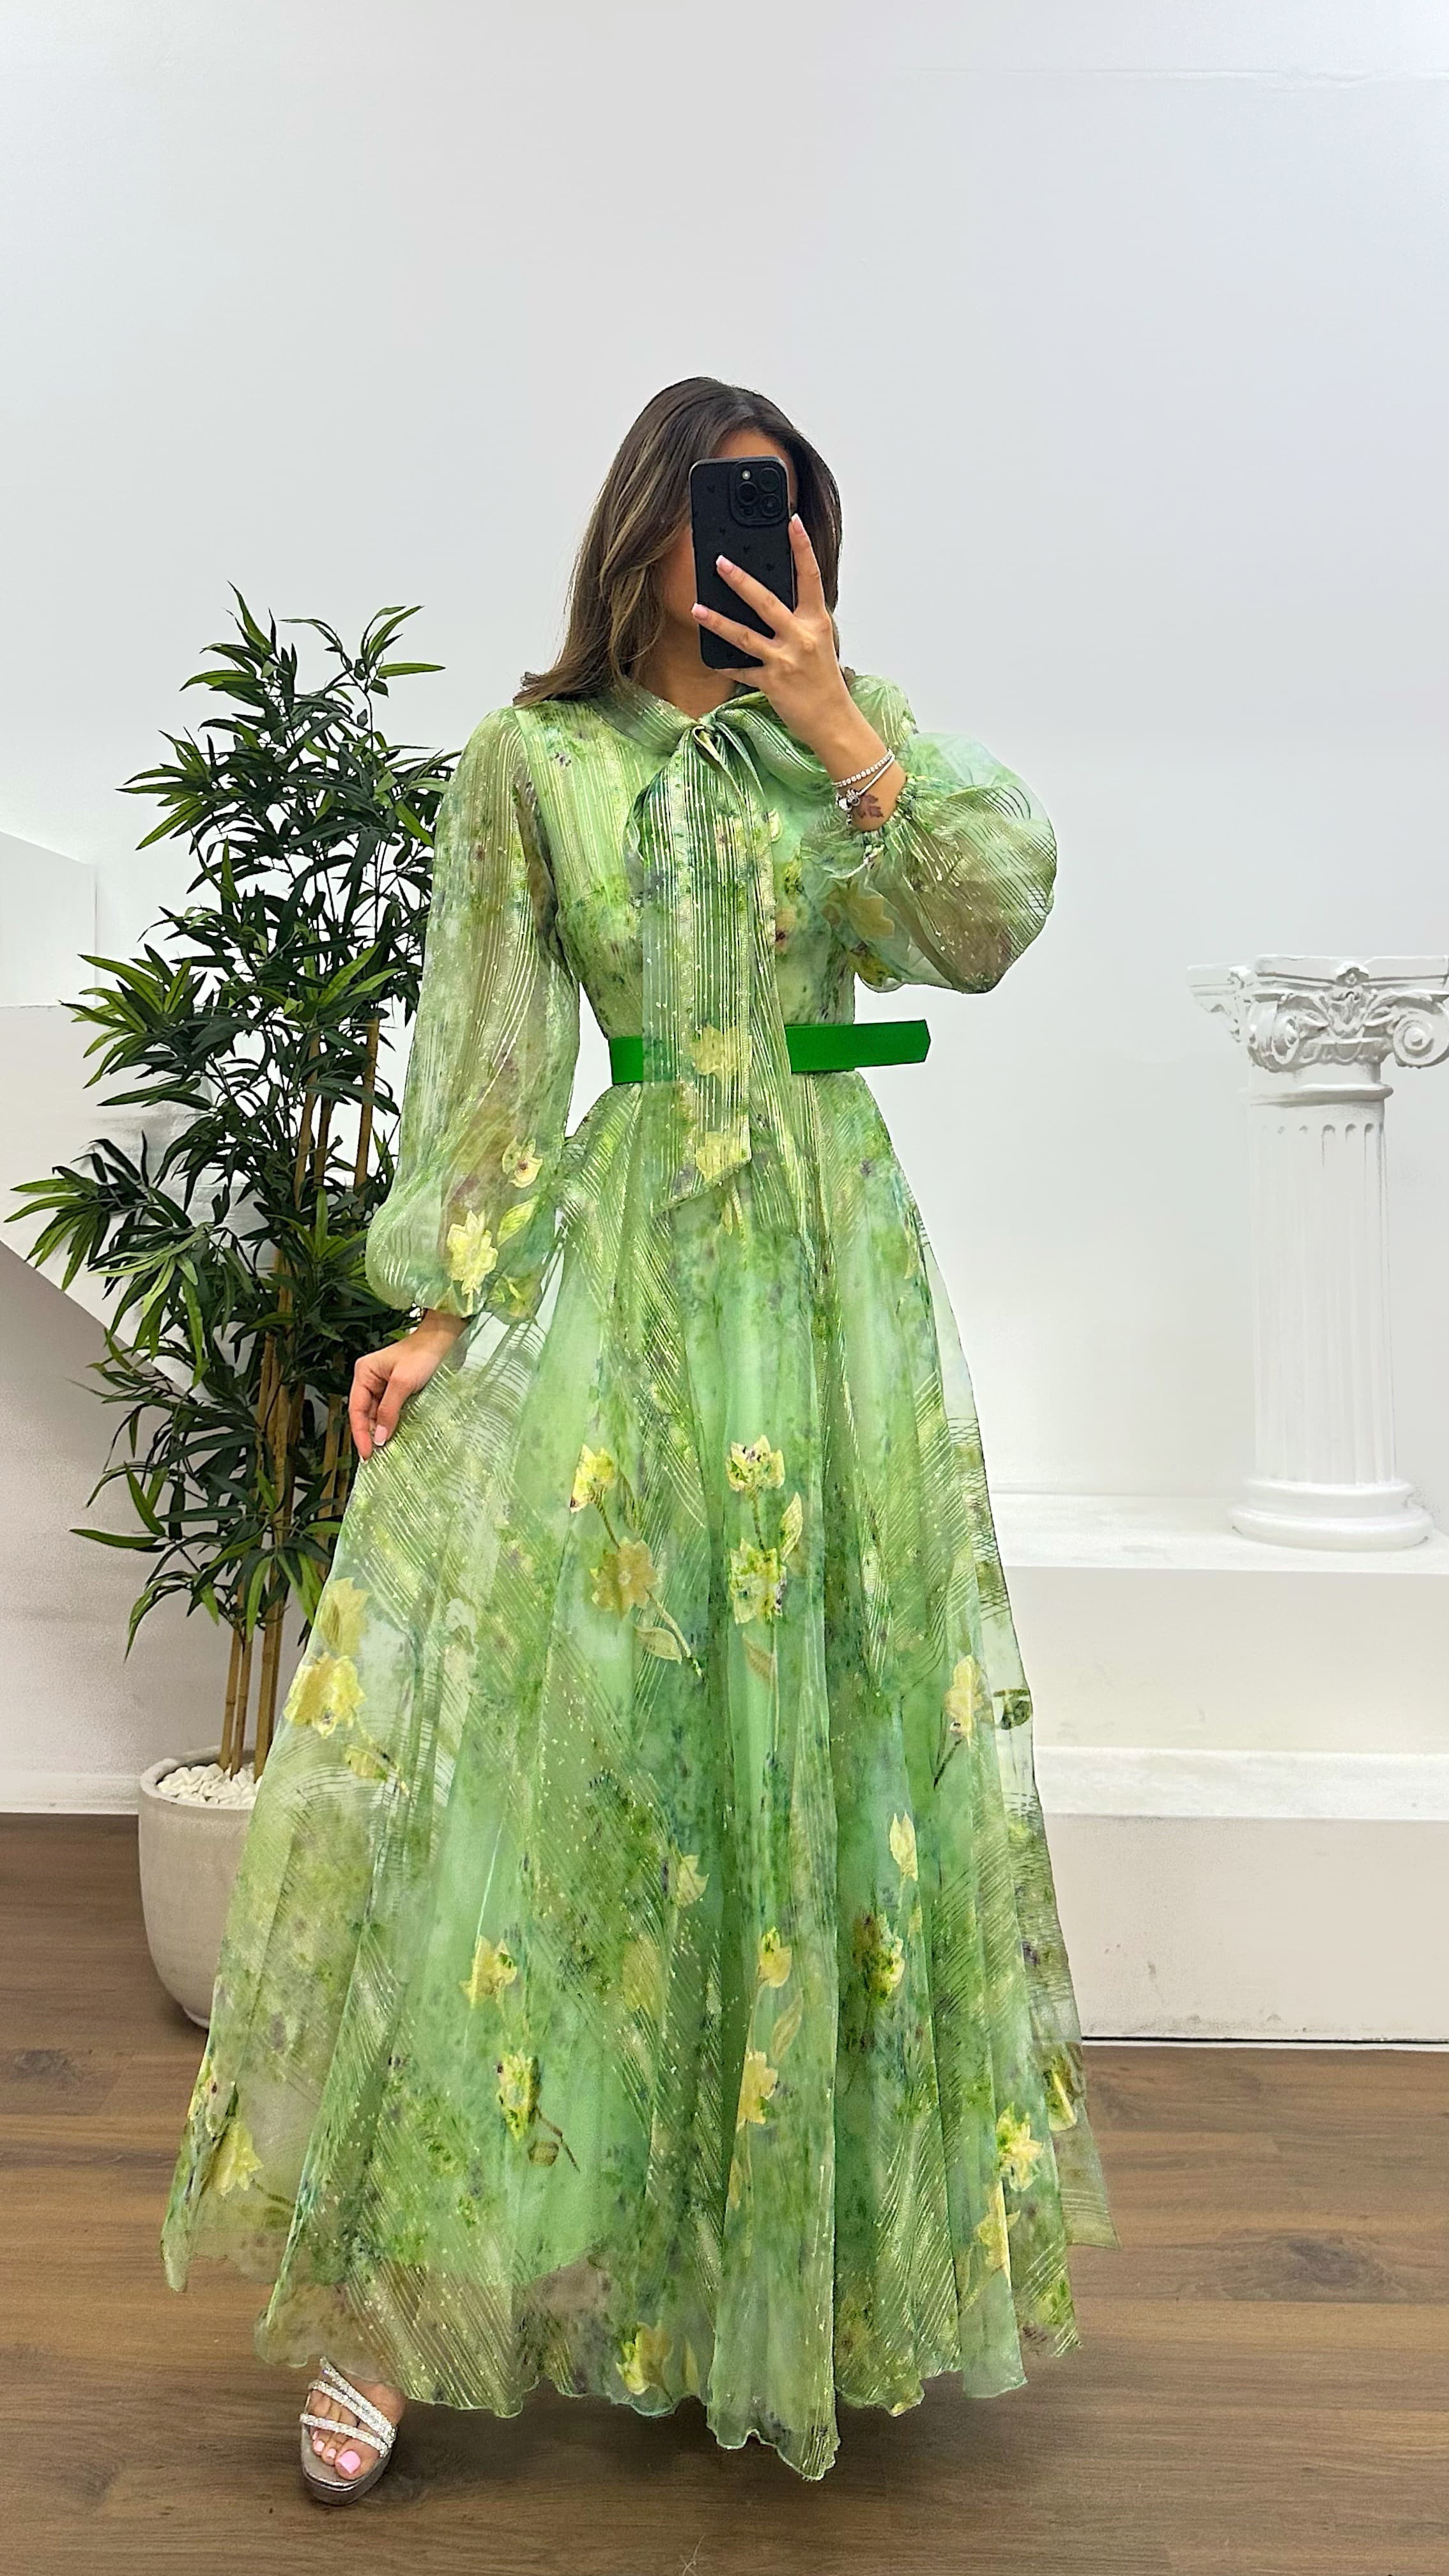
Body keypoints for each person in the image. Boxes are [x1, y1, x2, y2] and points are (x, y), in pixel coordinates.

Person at [160, 375, 1115, 2497]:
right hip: (634, 1278)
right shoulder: (540, 764)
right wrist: (436, 1310)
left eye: (790, 511)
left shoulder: (846, 743)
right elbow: (492, 1051)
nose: (763, 544)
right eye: (729, 506)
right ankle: (408, 2301)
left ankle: (759, 2277)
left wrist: (839, 725)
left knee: (816, 1751)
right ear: (646, 529)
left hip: (830, 1288)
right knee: (557, 1760)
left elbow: (984, 924)